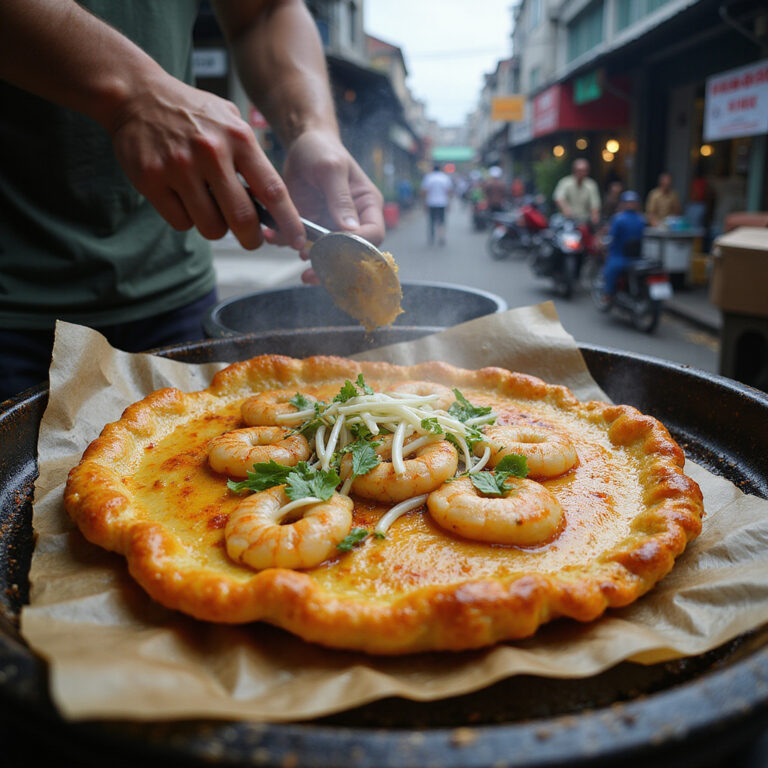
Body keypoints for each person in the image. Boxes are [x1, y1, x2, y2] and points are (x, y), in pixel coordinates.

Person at [0, 0, 384, 401]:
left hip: (176, 291)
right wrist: (135, 92)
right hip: (13, 301)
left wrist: (311, 127)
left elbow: (265, 12)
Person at [602, 191, 646, 296]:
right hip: (637, 257)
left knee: (609, 271)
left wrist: (603, 244)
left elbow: (611, 237)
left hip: (620, 257)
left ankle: (607, 295)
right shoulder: (642, 219)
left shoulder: (619, 219)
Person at [553, 158, 601, 226]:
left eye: (584, 171)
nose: (581, 173)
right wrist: (565, 209)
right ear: (574, 170)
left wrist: (595, 215)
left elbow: (595, 204)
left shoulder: (591, 185)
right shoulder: (565, 182)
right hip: (567, 221)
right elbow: (558, 197)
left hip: (584, 221)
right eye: (579, 170)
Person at [420, 163, 453, 246]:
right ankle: (441, 237)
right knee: (441, 221)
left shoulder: (429, 177)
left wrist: (424, 203)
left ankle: (432, 237)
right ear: (441, 169)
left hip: (431, 202)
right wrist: (449, 203)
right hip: (442, 202)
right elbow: (449, 191)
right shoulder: (445, 177)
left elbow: (424, 191)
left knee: (431, 221)